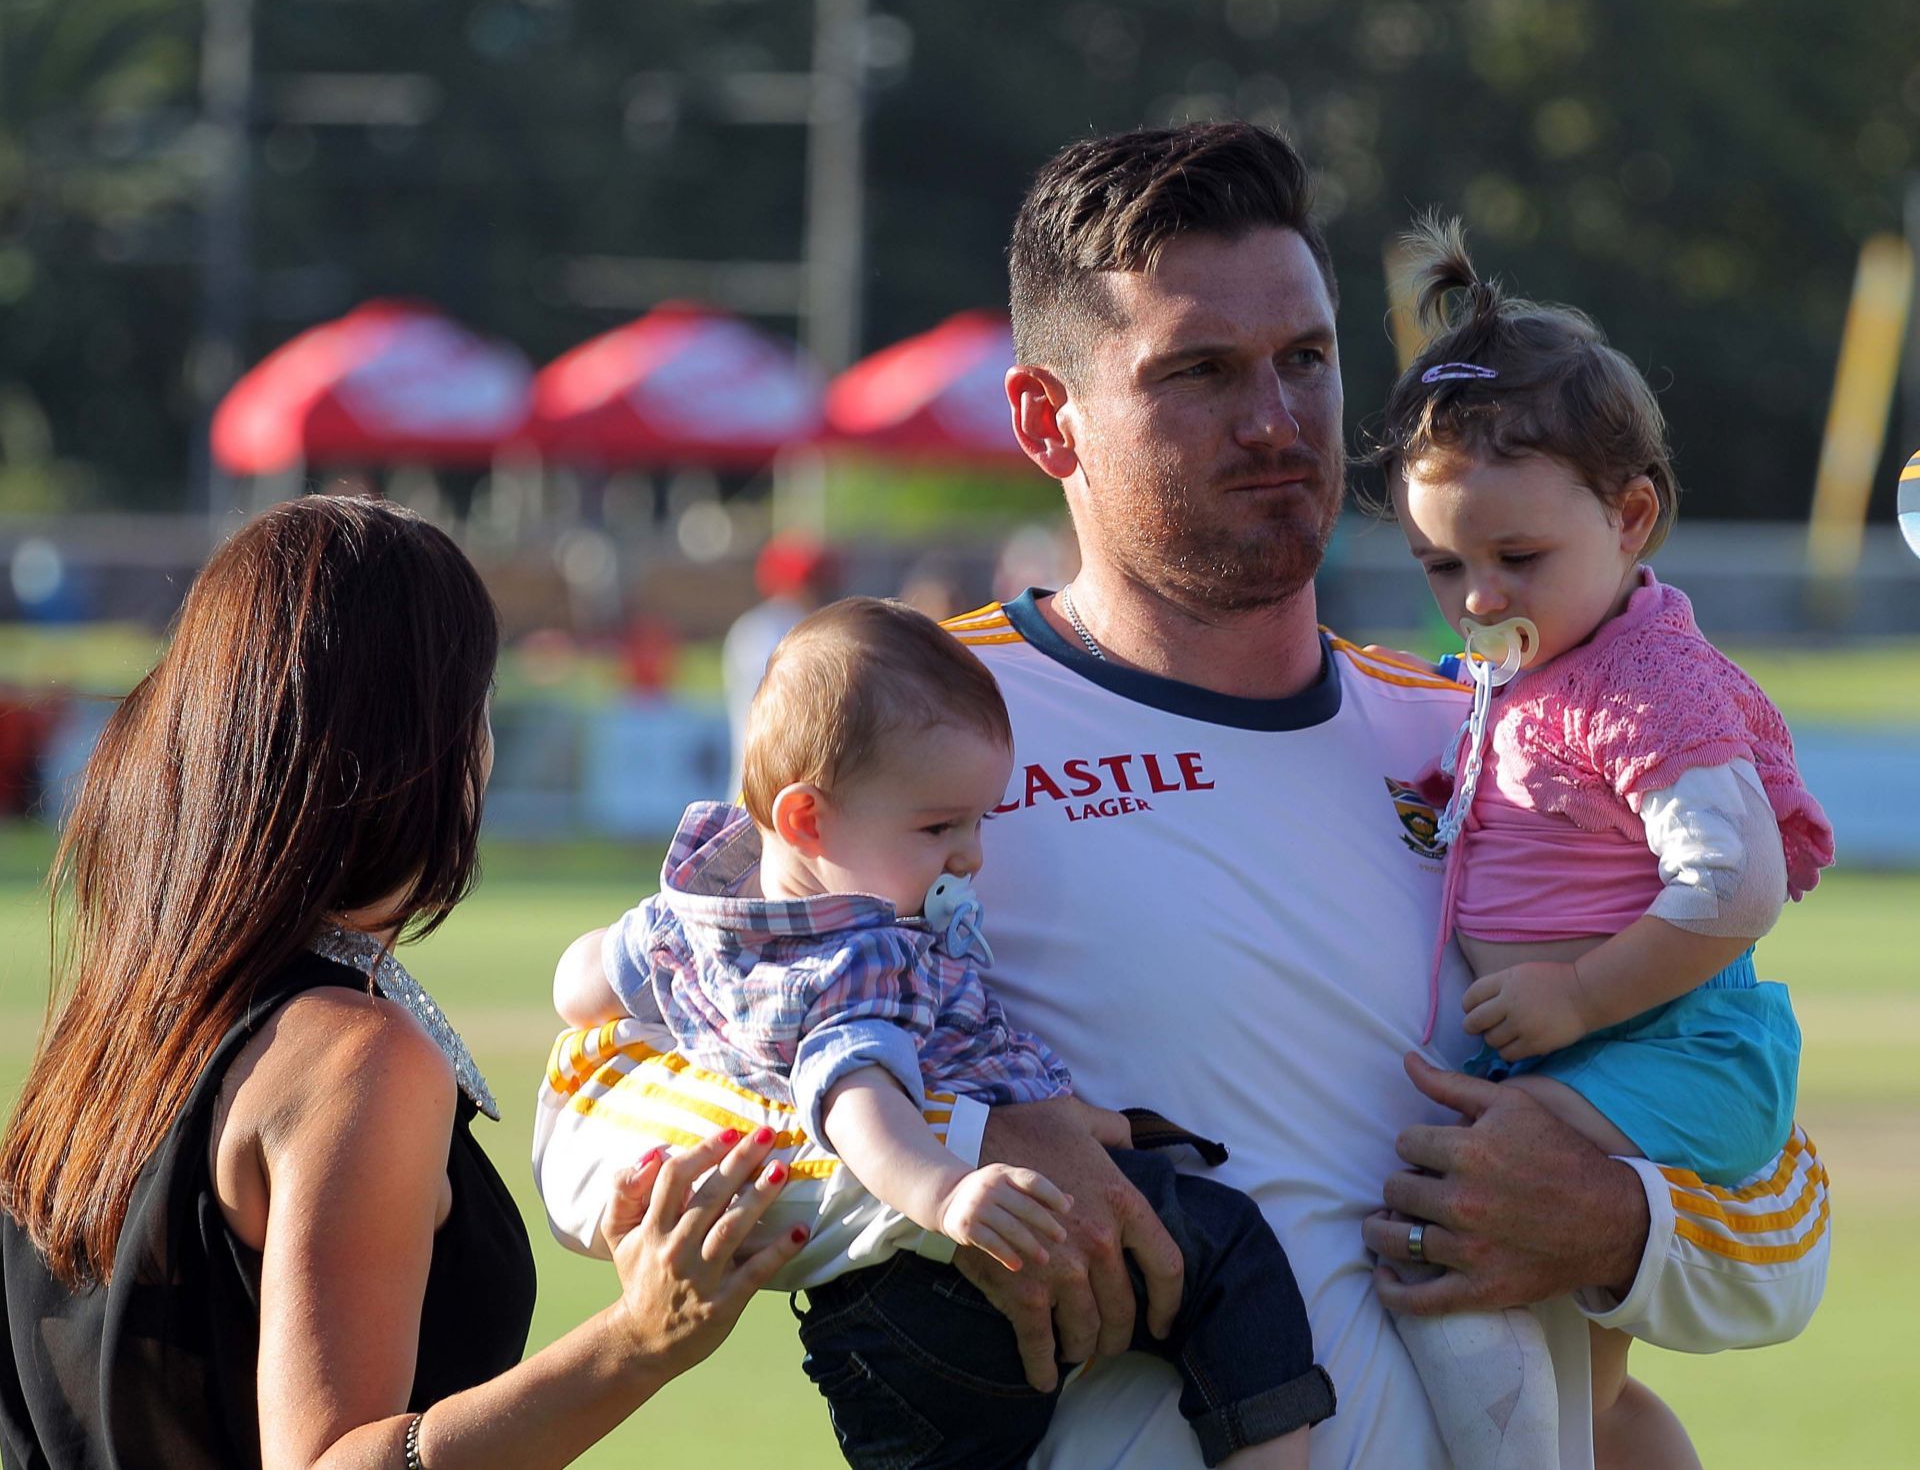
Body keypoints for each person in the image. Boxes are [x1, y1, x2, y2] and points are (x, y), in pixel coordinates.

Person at [536, 121, 1829, 1468]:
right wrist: (962, 1149)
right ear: (1048, 419)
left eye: (1308, 362)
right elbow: (595, 1099)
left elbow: (1784, 1203)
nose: (1275, 420)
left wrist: (1619, 1222)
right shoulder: (914, 728)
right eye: (1199, 372)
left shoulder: (1496, 735)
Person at [0, 495, 808, 1469]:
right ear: (416, 743)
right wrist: (637, 1338)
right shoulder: (356, 1058)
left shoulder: (123, 1023)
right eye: (477, 704)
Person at [543, 595, 1334, 1469]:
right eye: (939, 827)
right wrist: (947, 1194)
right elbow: (854, 1098)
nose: (971, 856)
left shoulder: (689, 916)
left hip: (870, 1325)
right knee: (1233, 1263)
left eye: (977, 822)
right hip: (945, 1260)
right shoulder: (857, 955)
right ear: (809, 819)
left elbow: (582, 981)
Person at [1361, 217, 1833, 1468]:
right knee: (1600, 1392)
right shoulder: (1535, 667)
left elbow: (1738, 882)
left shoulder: (1641, 678)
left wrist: (1577, 992)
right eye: (1441, 561)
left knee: (1461, 1245)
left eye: (1517, 555)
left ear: (1631, 520)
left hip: (1673, 1046)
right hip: (1612, 1049)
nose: (1475, 598)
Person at [723, 533, 839, 792]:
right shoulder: (761, 628)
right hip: (764, 773)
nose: (820, 589)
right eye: (812, 581)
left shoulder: (815, 623)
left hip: (806, 777)